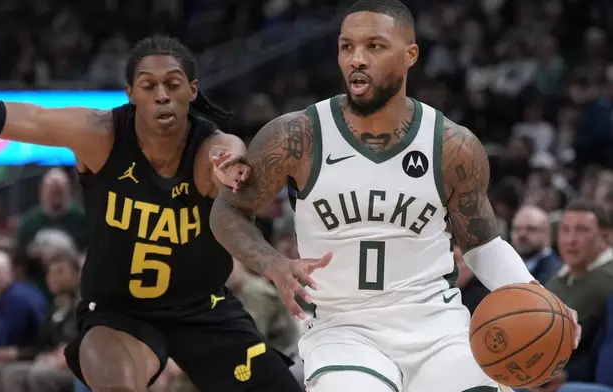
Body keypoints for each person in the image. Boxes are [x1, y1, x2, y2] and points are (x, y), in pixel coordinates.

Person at [209, 1, 581, 391]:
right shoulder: (297, 136)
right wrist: (272, 263)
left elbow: (482, 244)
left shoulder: (452, 145)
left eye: (374, 46)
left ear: (410, 55)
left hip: (436, 326)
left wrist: (542, 299)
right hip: (343, 329)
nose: (357, 59)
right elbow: (229, 210)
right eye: (346, 46)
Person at [0, 35, 302, 392]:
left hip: (203, 307)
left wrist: (267, 253)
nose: (161, 94)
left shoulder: (214, 148)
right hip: (120, 312)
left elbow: (230, 167)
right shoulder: (99, 134)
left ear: (191, 91)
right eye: (149, 85)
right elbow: (28, 117)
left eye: (173, 84)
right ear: (131, 93)